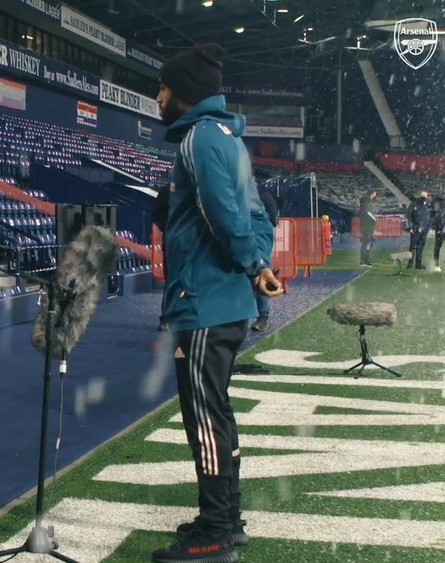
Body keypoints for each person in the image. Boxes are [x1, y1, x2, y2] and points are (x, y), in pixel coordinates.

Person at [154, 43, 283, 563]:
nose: (157, 96)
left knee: (205, 418)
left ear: (181, 92)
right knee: (218, 414)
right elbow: (258, 217)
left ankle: (213, 533)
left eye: (162, 87)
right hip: (224, 301)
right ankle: (227, 519)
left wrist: (254, 266)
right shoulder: (229, 139)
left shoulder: (200, 140)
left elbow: (223, 217)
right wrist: (260, 265)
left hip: (204, 300)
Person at [251, 184, 280, 332]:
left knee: (260, 269)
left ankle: (263, 316)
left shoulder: (261, 196)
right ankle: (261, 316)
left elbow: (273, 218)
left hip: (258, 233)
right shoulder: (262, 195)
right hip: (255, 232)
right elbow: (274, 218)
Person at [153, 182, 171, 331]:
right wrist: (169, 227)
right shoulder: (166, 190)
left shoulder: (198, 187)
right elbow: (158, 215)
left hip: (194, 245)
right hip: (172, 242)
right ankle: (166, 318)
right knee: (171, 282)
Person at [407, 190, 432, 269]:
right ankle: (410, 263)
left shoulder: (428, 205)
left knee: (420, 246)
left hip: (424, 229)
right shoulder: (414, 204)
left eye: (425, 196)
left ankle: (418, 263)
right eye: (422, 196)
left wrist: (428, 226)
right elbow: (408, 215)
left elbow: (429, 217)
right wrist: (410, 227)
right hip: (415, 228)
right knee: (413, 246)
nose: (423, 198)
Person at [430, 186, 445, 271]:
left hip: (442, 226)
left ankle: (438, 264)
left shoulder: (437, 201)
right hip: (443, 226)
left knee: (441, 245)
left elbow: (432, 214)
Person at [357, 190, 378, 266]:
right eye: (375, 194)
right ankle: (364, 260)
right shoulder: (367, 201)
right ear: (371, 194)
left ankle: (365, 259)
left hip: (366, 224)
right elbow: (367, 211)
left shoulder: (365, 202)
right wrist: (374, 218)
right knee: (367, 242)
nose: (375, 195)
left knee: (367, 242)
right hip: (367, 225)